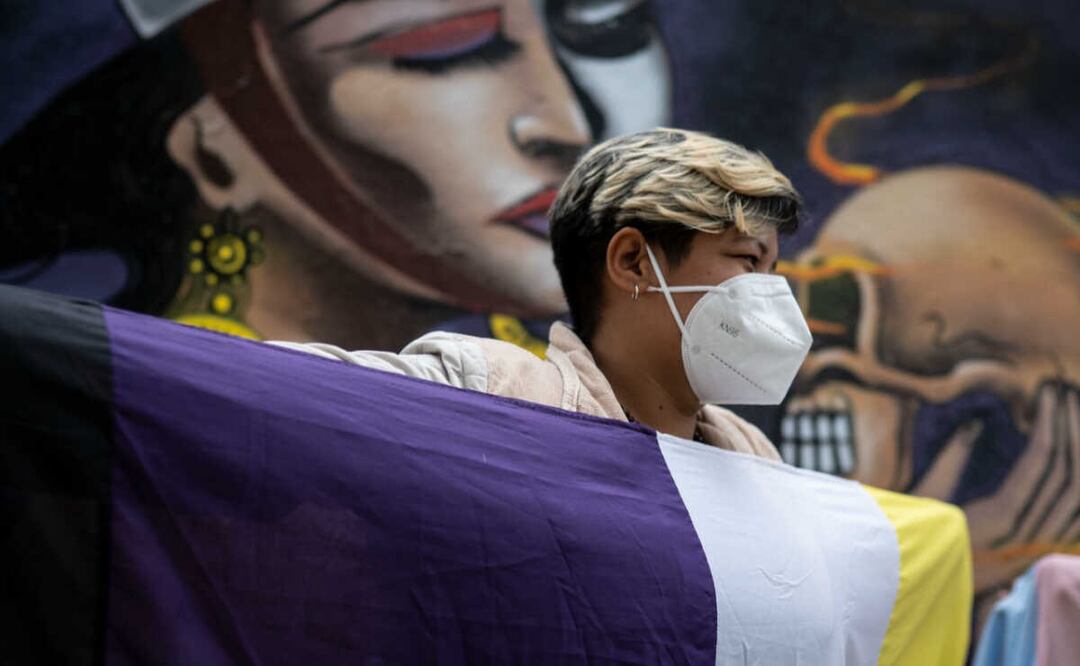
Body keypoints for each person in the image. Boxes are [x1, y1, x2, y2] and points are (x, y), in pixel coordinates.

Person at [272, 128, 811, 451]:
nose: (771, 295)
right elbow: (263, 393)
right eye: (748, 260)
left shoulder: (752, 455)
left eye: (772, 269)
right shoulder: (486, 397)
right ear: (633, 262)